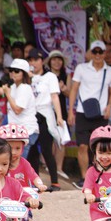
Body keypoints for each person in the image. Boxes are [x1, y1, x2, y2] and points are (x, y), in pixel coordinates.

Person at [0, 123, 52, 221]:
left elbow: (34, 176)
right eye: (10, 148)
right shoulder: (1, 165)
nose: (14, 152)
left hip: (23, 203)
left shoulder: (24, 163)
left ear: (23, 147)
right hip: (5, 204)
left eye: (17, 148)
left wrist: (39, 185)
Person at [68, 40, 111, 189]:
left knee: (99, 147)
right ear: (90, 53)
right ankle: (84, 178)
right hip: (83, 112)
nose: (97, 55)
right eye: (94, 52)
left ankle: (98, 176)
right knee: (82, 146)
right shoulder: (81, 68)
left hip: (101, 114)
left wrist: (109, 107)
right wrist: (71, 111)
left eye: (100, 52)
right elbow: (74, 89)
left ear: (104, 53)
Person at [0, 59, 39, 157]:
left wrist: (7, 94)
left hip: (27, 131)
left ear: (23, 73)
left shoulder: (25, 88)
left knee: (17, 164)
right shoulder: (15, 87)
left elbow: (17, 110)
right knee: (18, 163)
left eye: (16, 71)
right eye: (11, 70)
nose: (13, 73)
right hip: (17, 132)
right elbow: (2, 90)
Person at [26, 48, 64, 191]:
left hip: (45, 114)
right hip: (30, 115)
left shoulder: (50, 77)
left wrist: (59, 116)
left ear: (42, 61)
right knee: (32, 150)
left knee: (46, 149)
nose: (33, 63)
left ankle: (55, 182)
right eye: (31, 60)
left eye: (36, 60)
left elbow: (54, 96)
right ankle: (36, 182)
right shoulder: (26, 77)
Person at [46, 50, 71, 179]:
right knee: (49, 138)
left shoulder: (66, 76)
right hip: (47, 110)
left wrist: (65, 89)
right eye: (54, 59)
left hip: (61, 110)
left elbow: (71, 94)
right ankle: (48, 165)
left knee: (61, 139)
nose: (57, 62)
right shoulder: (45, 76)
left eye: (59, 59)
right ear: (49, 62)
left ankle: (59, 167)